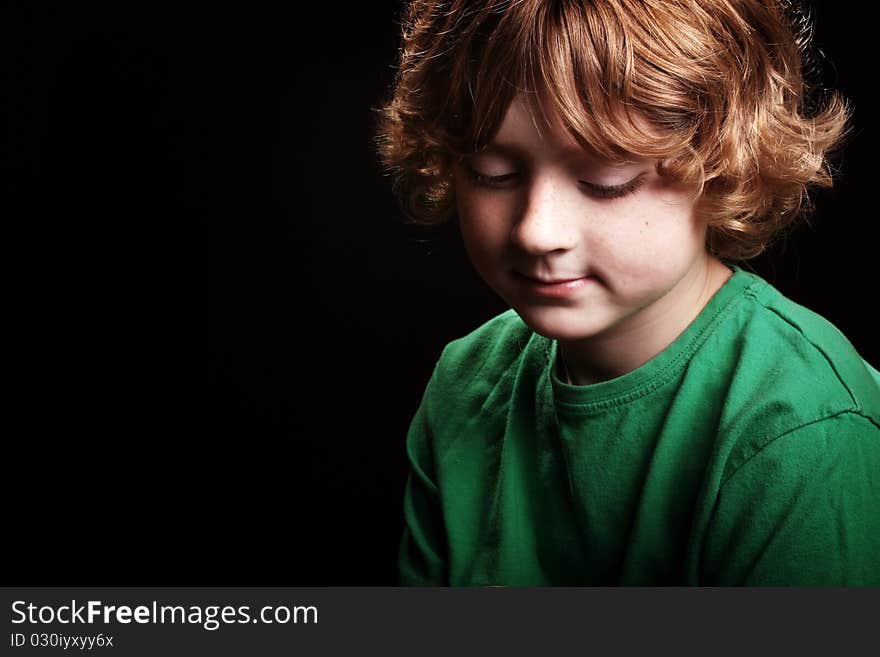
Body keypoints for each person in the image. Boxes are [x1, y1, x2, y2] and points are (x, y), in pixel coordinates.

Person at [375, 0, 880, 585]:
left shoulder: (801, 428)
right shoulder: (464, 383)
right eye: (494, 173)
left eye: (606, 180)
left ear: (722, 160)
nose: (537, 230)